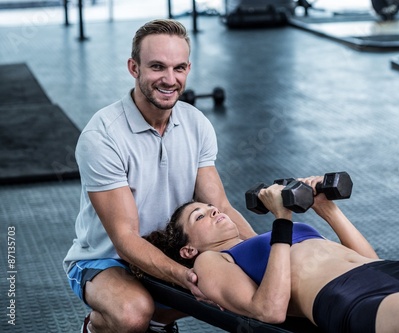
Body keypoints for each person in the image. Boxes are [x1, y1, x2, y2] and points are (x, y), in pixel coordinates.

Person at [63, 19, 256, 333]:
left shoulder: (196, 124)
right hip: (106, 260)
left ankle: (158, 322)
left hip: (170, 248)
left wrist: (262, 252)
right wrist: (186, 279)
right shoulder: (102, 137)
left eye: (179, 68)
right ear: (134, 67)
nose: (170, 79)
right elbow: (125, 240)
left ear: (188, 69)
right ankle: (99, 327)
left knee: (253, 288)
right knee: (132, 314)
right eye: (157, 67)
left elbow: (220, 203)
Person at [137, 175, 399, 333]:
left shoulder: (272, 237)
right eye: (200, 215)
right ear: (188, 247)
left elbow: (369, 261)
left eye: (211, 207)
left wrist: (329, 212)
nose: (215, 210)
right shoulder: (211, 261)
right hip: (355, 301)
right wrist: (282, 218)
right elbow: (268, 310)